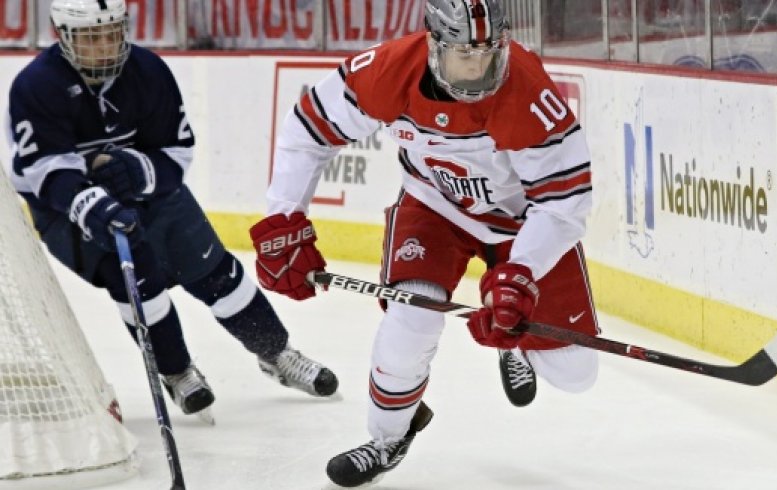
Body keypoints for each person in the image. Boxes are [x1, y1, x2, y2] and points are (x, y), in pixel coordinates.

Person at [251, 0, 599, 486]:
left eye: (488, 53)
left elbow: (566, 204)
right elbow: (309, 129)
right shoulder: (387, 71)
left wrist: (520, 273)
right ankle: (389, 437)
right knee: (409, 323)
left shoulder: (526, 90)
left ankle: (512, 341)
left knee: (575, 372)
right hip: (434, 205)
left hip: (522, 223)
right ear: (435, 44)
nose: (478, 68)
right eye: (463, 54)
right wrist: (283, 218)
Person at [5, 0, 338, 419]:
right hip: (66, 209)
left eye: (112, 32)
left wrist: (138, 170)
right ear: (63, 36)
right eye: (91, 37)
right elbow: (44, 170)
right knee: (135, 283)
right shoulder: (38, 85)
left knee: (218, 273)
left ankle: (277, 354)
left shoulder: (146, 70)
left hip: (150, 194)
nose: (106, 45)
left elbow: (175, 152)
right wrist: (90, 203)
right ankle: (177, 373)